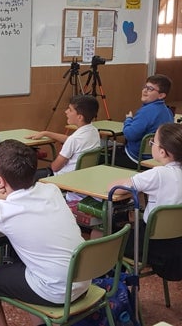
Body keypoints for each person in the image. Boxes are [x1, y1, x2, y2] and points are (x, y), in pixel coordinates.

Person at [0, 139, 89, 326]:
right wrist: (3, 195)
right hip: (83, 281)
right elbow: (25, 197)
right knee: (19, 260)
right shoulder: (52, 190)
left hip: (55, 291)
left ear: (1, 178)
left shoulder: (5, 213)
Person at [108, 122, 182, 280]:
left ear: (162, 152)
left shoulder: (158, 174)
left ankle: (113, 288)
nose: (151, 145)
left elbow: (115, 188)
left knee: (109, 238)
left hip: (153, 248)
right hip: (178, 247)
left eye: (153, 142)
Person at [26, 94, 100, 181]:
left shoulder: (74, 140)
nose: (66, 111)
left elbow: (55, 168)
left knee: (23, 179)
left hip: (63, 179)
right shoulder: (94, 131)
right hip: (83, 177)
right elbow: (70, 140)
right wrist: (46, 133)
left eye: (70, 110)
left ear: (80, 117)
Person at [115, 74, 174, 169]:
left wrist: (128, 120)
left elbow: (130, 135)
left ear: (161, 95)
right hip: (159, 159)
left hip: (137, 159)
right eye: (145, 87)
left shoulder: (147, 111)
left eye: (150, 89)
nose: (145, 91)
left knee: (107, 156)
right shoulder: (168, 111)